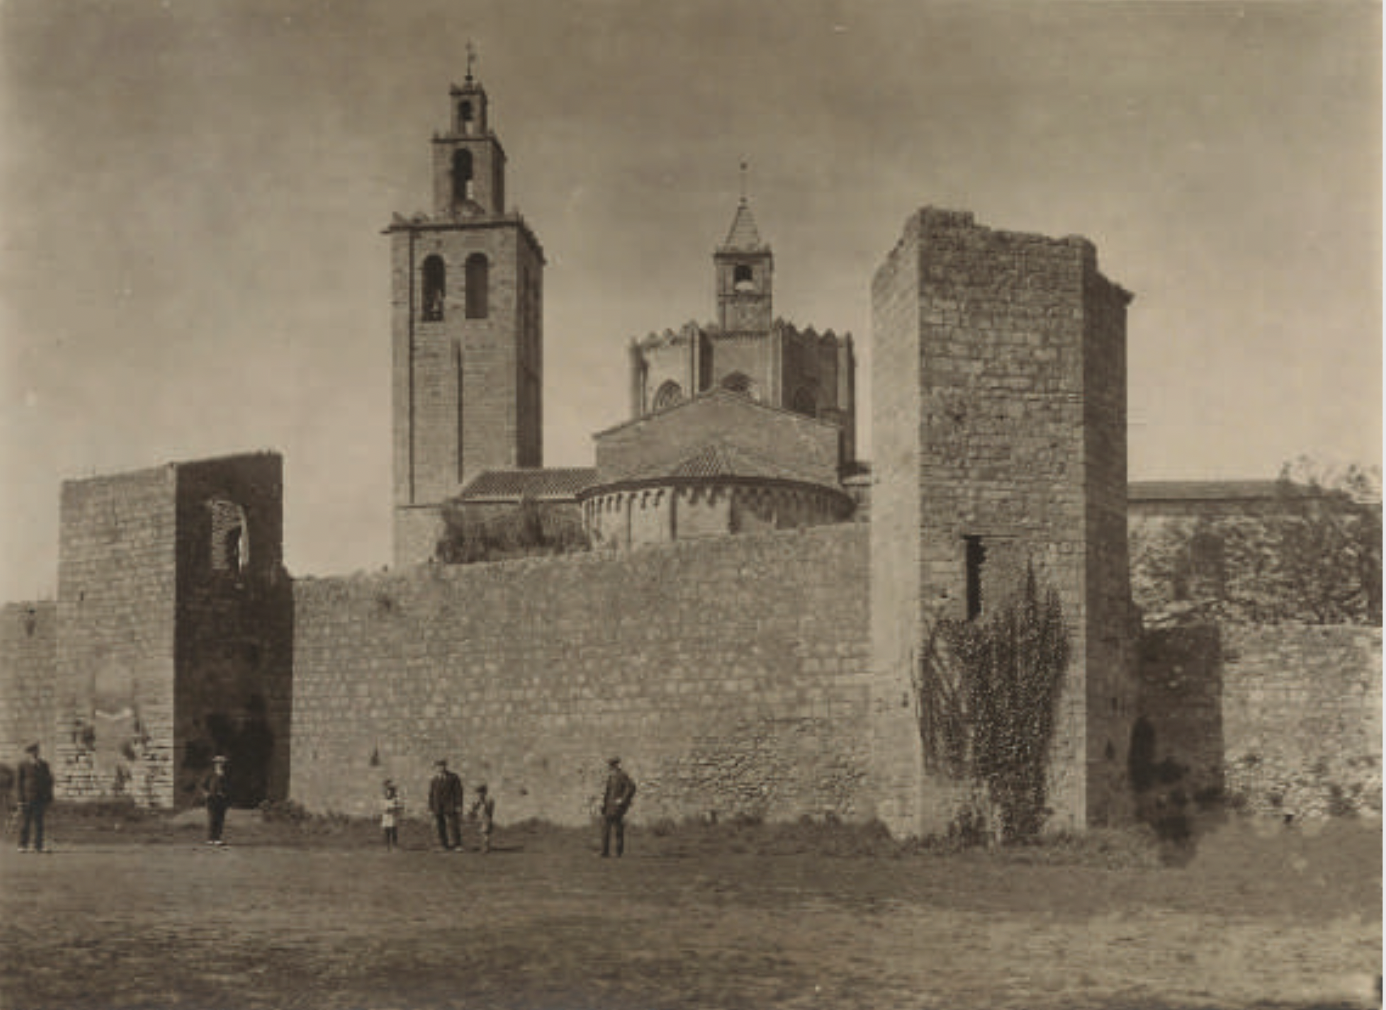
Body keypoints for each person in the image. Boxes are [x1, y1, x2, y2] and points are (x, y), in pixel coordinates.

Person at [16, 742, 54, 854]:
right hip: (27, 798)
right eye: (31, 751)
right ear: (28, 753)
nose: (34, 753)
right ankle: (22, 845)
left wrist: (49, 797)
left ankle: (38, 845)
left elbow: (48, 781)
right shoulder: (22, 765)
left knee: (39, 823)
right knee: (25, 822)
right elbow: (18, 783)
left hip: (40, 798)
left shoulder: (44, 764)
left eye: (36, 751)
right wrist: (19, 799)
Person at [600, 757, 636, 858]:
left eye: (612, 765)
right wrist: (603, 804)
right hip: (608, 806)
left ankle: (618, 852)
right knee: (605, 829)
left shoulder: (622, 775)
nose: (610, 767)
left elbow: (631, 787)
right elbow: (607, 793)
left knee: (618, 829)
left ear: (616, 765)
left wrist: (622, 800)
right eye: (609, 765)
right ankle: (604, 852)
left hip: (617, 807)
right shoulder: (610, 777)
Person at [427, 759, 464, 851]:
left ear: (445, 766)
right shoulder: (434, 780)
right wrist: (431, 807)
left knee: (453, 825)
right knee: (440, 825)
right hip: (438, 806)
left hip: (450, 804)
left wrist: (458, 805)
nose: (441, 768)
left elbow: (458, 791)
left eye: (442, 766)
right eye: (439, 766)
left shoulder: (453, 777)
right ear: (436, 767)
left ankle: (457, 844)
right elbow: (431, 794)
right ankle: (443, 844)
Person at [201, 755, 232, 846]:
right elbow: (203, 785)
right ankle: (211, 838)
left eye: (222, 762)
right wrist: (206, 794)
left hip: (222, 799)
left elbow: (230, 786)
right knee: (212, 818)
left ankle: (218, 838)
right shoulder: (210, 774)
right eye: (218, 762)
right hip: (211, 799)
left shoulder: (226, 774)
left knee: (220, 819)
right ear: (215, 764)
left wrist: (226, 794)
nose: (220, 764)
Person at [468, 784, 495, 854]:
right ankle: (484, 847)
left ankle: (486, 848)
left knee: (485, 833)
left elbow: (488, 810)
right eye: (478, 793)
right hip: (482, 818)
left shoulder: (488, 800)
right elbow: (474, 808)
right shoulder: (480, 800)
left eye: (480, 792)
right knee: (483, 833)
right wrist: (473, 810)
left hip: (487, 818)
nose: (479, 794)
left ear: (484, 792)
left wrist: (480, 803)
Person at [380, 779, 402, 851]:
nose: (388, 794)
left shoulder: (395, 799)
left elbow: (399, 807)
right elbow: (382, 807)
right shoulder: (384, 800)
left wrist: (395, 809)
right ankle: (387, 845)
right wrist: (386, 809)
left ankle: (395, 844)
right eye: (387, 792)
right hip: (386, 817)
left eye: (390, 792)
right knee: (387, 831)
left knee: (393, 830)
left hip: (393, 817)